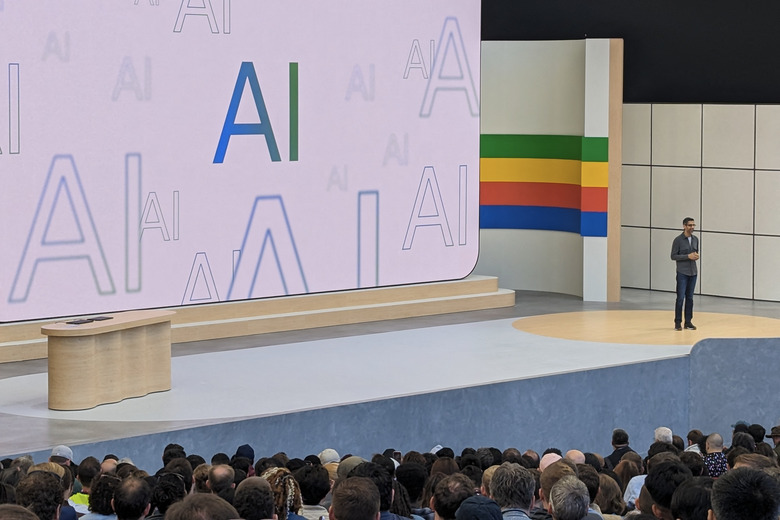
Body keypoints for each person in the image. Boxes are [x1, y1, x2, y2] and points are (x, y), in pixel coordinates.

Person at [671, 217, 699, 331]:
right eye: (689, 225)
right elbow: (673, 256)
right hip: (682, 272)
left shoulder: (696, 239)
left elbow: (696, 252)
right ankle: (678, 322)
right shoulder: (678, 240)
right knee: (680, 298)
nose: (692, 227)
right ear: (684, 226)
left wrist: (696, 256)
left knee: (690, 298)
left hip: (693, 272)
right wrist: (687, 256)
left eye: (693, 225)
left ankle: (688, 322)